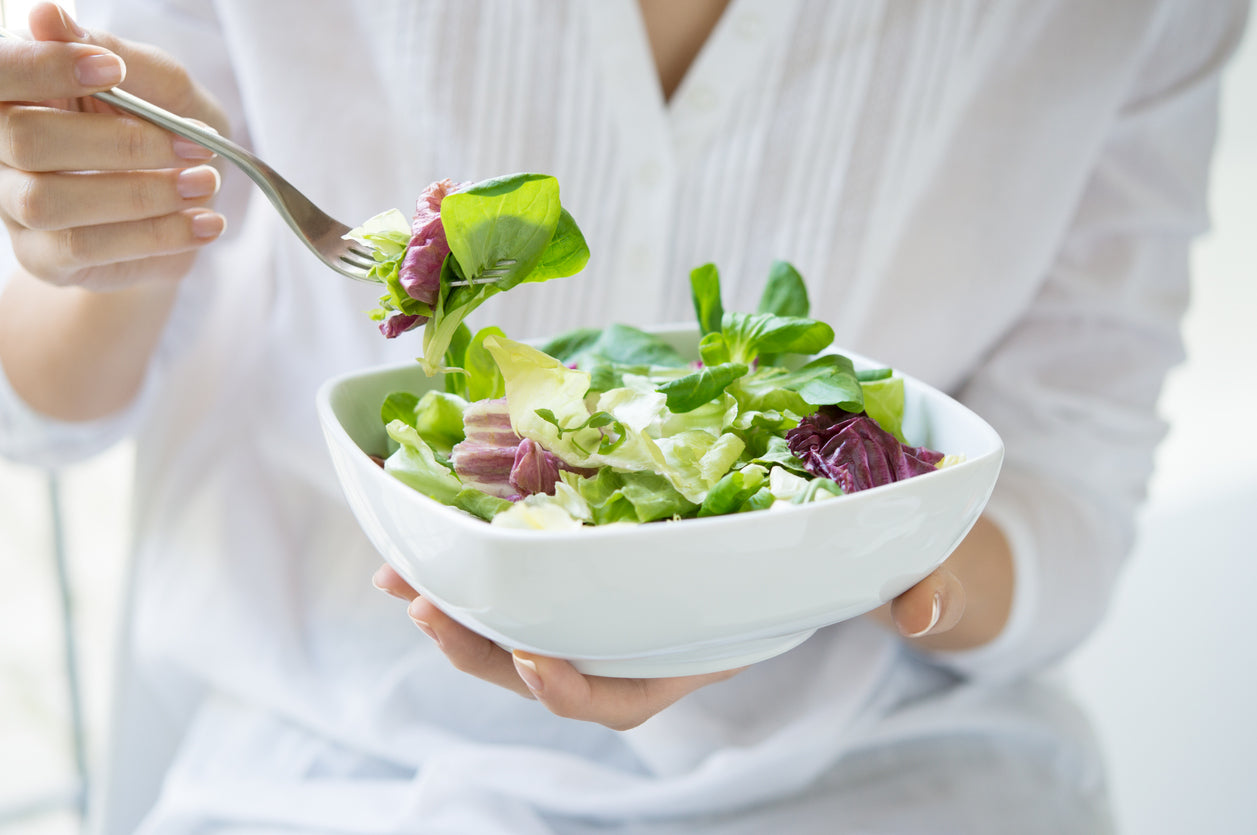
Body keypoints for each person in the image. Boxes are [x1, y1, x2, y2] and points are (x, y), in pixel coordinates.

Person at [0, 0, 1245, 832]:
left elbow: (1073, 485)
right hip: (342, 751)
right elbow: (46, 414)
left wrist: (843, 562)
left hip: (890, 762)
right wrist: (122, 239)